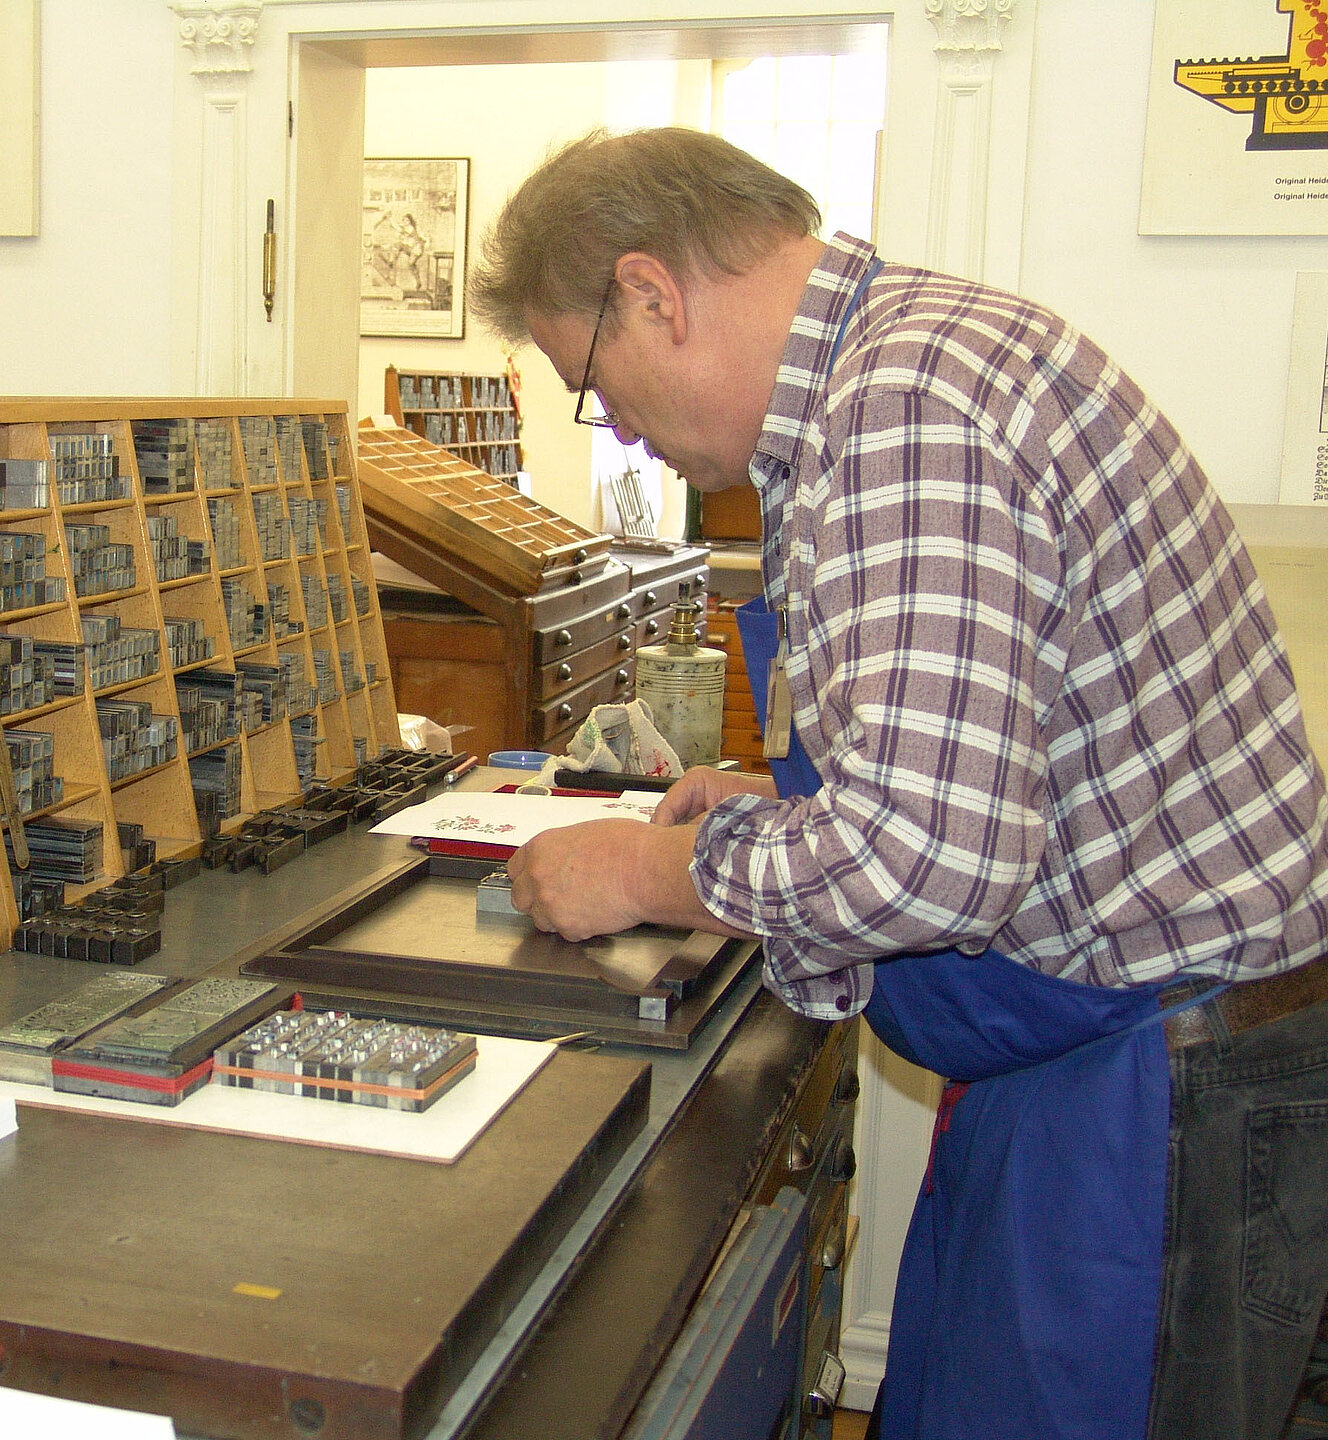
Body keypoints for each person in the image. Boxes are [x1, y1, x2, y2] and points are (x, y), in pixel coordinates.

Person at [469, 126, 1328, 1440]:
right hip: (1109, 1059)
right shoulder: (909, 368)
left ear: (655, 291)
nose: (621, 429)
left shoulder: (905, 413)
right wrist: (765, 817)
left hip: (1160, 1097)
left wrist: (656, 870)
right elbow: (971, 767)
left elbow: (928, 858)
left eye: (593, 379)